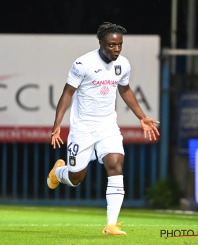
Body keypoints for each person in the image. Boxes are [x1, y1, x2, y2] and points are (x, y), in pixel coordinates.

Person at [47, 22, 160, 236]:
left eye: (119, 45)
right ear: (100, 43)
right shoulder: (83, 64)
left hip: (107, 125)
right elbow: (67, 93)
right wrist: (56, 126)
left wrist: (142, 117)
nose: (116, 49)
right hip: (83, 129)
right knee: (76, 178)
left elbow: (125, 89)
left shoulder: (123, 64)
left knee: (116, 163)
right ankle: (58, 172)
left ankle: (111, 224)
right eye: (111, 45)